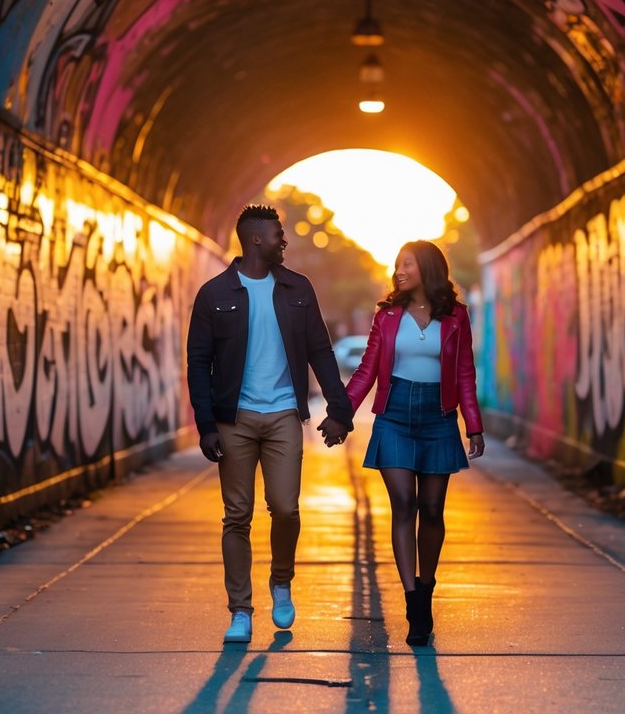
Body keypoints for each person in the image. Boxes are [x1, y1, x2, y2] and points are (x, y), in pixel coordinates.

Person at [187, 204, 353, 645]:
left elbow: (321, 351)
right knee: (236, 516)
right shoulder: (214, 293)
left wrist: (339, 411)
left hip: (282, 414)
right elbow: (198, 362)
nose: (285, 241)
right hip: (233, 419)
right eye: (279, 234)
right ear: (256, 238)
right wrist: (206, 424)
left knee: (285, 508)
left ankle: (281, 580)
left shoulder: (298, 288)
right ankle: (240, 610)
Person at [345, 240, 484, 646]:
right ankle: (412, 601)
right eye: (397, 264)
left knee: (433, 509)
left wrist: (472, 424)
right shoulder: (387, 316)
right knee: (404, 504)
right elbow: (367, 368)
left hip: (438, 419)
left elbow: (464, 374)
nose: (399, 270)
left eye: (407, 264)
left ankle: (426, 586)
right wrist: (343, 413)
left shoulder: (456, 316)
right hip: (395, 416)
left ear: (427, 267)